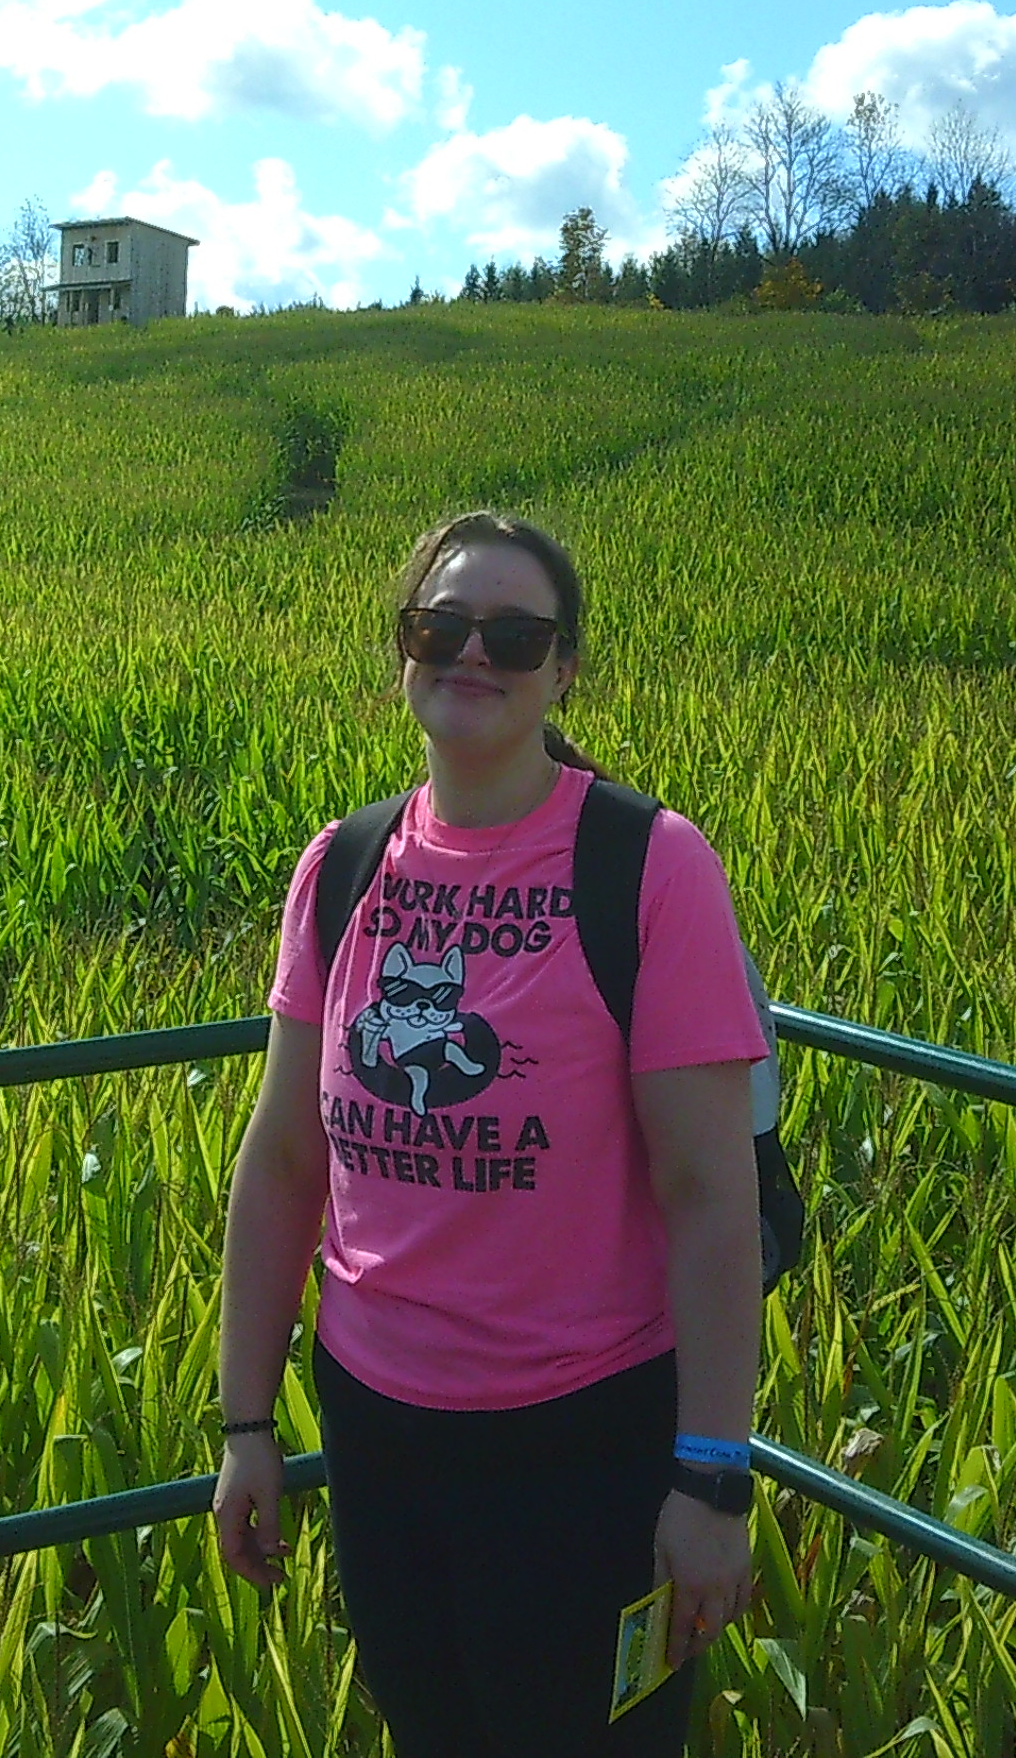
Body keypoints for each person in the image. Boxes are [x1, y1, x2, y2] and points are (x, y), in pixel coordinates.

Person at [211, 509, 768, 1756]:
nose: (475, 654)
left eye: (515, 634)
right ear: (402, 649)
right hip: (378, 1427)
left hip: (585, 1448)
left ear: (565, 667)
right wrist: (248, 1425)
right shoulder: (343, 866)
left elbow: (709, 1200)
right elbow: (285, 1160)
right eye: (442, 625)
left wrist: (711, 1480)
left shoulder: (650, 868)